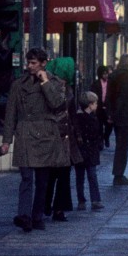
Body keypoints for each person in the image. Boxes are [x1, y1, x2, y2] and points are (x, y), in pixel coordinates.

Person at [2, 47, 68, 232]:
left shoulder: (55, 82)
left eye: (34, 63)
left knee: (42, 180)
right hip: (24, 133)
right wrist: (7, 140)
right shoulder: (18, 84)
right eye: (28, 62)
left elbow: (57, 104)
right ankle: (24, 216)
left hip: (45, 134)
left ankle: (37, 216)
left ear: (43, 63)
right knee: (26, 178)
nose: (29, 66)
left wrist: (45, 82)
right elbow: (10, 114)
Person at [44, 56, 81, 222]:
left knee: (62, 174)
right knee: (53, 174)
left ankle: (58, 207)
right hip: (54, 135)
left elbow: (72, 114)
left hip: (65, 136)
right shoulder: (52, 87)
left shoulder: (69, 89)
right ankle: (48, 206)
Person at [107, 53, 128, 185]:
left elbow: (110, 97)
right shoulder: (126, 77)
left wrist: (111, 114)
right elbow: (124, 97)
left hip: (117, 115)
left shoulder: (114, 75)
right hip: (124, 115)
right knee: (122, 146)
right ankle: (118, 175)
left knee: (121, 145)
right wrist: (119, 113)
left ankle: (118, 174)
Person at [73, 91, 104, 211]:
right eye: (95, 103)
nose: (97, 106)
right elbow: (96, 134)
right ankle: (94, 200)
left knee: (80, 177)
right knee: (91, 175)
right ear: (90, 105)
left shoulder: (80, 117)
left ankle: (82, 200)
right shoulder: (91, 119)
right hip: (88, 151)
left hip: (83, 151)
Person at [90, 65, 112, 148]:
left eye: (107, 74)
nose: (106, 75)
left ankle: (106, 137)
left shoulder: (110, 83)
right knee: (99, 125)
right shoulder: (96, 84)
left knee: (109, 125)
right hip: (98, 107)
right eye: (104, 74)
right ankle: (101, 141)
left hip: (108, 107)